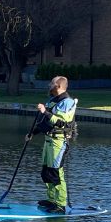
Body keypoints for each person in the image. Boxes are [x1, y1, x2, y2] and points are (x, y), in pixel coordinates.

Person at [27, 76, 77, 214]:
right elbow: (44, 122)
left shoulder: (68, 103)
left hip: (59, 142)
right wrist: (32, 133)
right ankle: (51, 200)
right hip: (48, 140)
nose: (50, 86)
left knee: (56, 172)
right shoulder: (52, 101)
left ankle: (60, 204)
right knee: (45, 171)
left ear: (59, 86)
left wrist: (45, 112)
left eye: (52, 84)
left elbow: (61, 122)